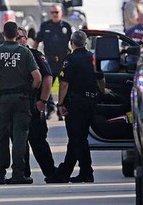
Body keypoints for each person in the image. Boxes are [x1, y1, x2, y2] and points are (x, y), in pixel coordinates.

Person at [0, 21, 41, 185]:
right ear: (16, 34)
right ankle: (18, 173)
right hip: (21, 99)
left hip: (3, 101)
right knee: (20, 135)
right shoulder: (25, 52)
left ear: (3, 34)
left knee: (1, 137)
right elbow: (38, 78)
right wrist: (30, 90)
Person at [46, 31, 102, 184]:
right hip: (91, 102)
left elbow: (64, 84)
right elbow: (100, 77)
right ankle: (71, 172)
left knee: (77, 138)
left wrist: (60, 104)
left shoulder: (70, 60)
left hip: (75, 104)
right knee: (78, 139)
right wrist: (104, 92)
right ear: (85, 42)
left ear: (71, 43)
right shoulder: (93, 58)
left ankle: (83, 172)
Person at [15, 28, 57, 180]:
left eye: (20, 37)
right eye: (15, 37)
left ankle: (50, 172)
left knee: (38, 140)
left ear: (26, 39)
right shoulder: (8, 56)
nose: (18, 40)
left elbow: (47, 77)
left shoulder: (35, 55)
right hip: (16, 106)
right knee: (20, 142)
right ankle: (23, 174)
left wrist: (43, 100)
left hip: (34, 104)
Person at [34, 4, 72, 120]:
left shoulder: (66, 26)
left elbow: (73, 42)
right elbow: (37, 41)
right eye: (52, 12)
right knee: (46, 84)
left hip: (63, 61)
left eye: (56, 12)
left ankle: (62, 109)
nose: (54, 15)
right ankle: (50, 108)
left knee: (64, 85)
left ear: (61, 13)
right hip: (49, 61)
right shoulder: (45, 26)